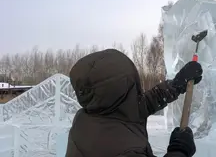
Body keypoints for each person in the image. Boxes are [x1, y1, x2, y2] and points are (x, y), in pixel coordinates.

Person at [65, 49, 203, 157]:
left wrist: (177, 84)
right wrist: (179, 151)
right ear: (123, 90)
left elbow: (140, 105)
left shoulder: (88, 117)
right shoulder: (124, 151)